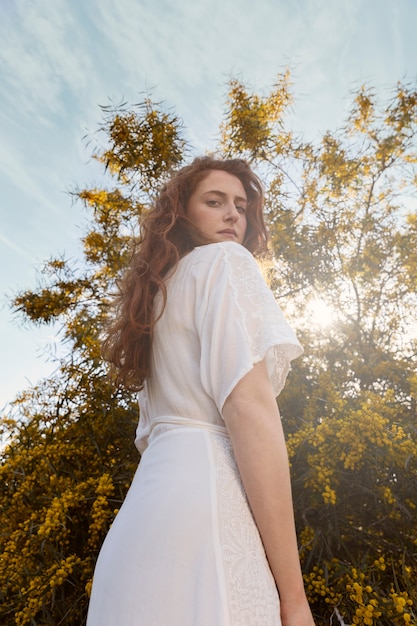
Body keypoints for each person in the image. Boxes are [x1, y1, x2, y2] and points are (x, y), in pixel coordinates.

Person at [86, 156, 316, 626]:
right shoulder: (225, 262)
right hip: (205, 511)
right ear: (182, 213)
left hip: (140, 525)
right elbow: (250, 411)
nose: (234, 214)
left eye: (242, 205)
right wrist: (294, 597)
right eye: (215, 201)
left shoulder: (155, 302)